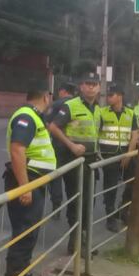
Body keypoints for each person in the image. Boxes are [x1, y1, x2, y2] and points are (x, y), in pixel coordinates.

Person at [3, 89, 57, 276]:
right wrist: (25, 187)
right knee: (24, 233)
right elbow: (17, 150)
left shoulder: (34, 116)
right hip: (28, 182)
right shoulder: (26, 116)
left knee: (30, 233)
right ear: (45, 96)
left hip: (35, 182)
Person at [48, 72, 101, 254]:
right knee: (78, 200)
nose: (91, 87)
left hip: (91, 161)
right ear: (81, 87)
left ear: (99, 87)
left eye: (94, 84)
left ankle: (81, 239)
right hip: (74, 160)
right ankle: (76, 242)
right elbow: (53, 127)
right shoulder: (71, 106)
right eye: (87, 83)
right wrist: (71, 145)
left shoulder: (97, 109)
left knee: (88, 201)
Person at [97, 83, 139, 232]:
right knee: (110, 188)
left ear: (120, 96)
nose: (108, 97)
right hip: (110, 156)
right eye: (107, 95)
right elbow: (96, 133)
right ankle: (110, 217)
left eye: (111, 95)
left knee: (133, 183)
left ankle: (123, 209)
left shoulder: (130, 113)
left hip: (127, 154)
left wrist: (129, 154)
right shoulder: (102, 113)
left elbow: (135, 134)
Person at [45, 81, 76, 217]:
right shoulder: (78, 104)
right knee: (73, 177)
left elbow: (47, 123)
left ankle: (56, 206)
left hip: (57, 145)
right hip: (75, 145)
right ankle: (74, 206)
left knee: (56, 175)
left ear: (63, 91)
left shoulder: (56, 104)